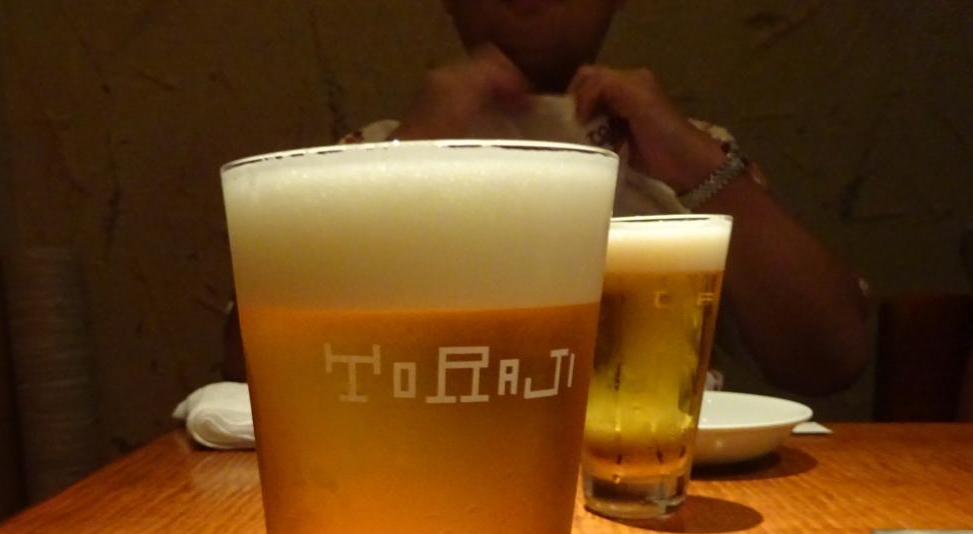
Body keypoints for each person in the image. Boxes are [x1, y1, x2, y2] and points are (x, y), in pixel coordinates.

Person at [225, 0, 869, 397]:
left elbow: (832, 359)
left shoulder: (692, 158)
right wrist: (406, 154)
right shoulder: (369, 156)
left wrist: (695, 161)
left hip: (652, 482)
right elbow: (249, 378)